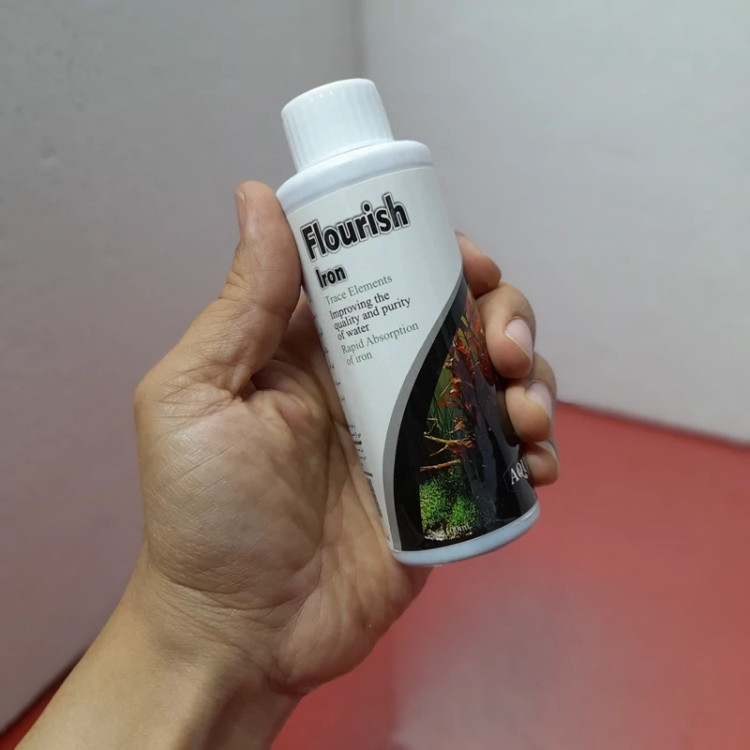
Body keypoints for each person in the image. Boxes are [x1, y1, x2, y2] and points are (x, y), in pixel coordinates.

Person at [20, 182, 559, 749]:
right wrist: (207, 626)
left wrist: (204, 644)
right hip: (360, 501)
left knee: (475, 340)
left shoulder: (384, 187)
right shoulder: (328, 203)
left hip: (396, 491)